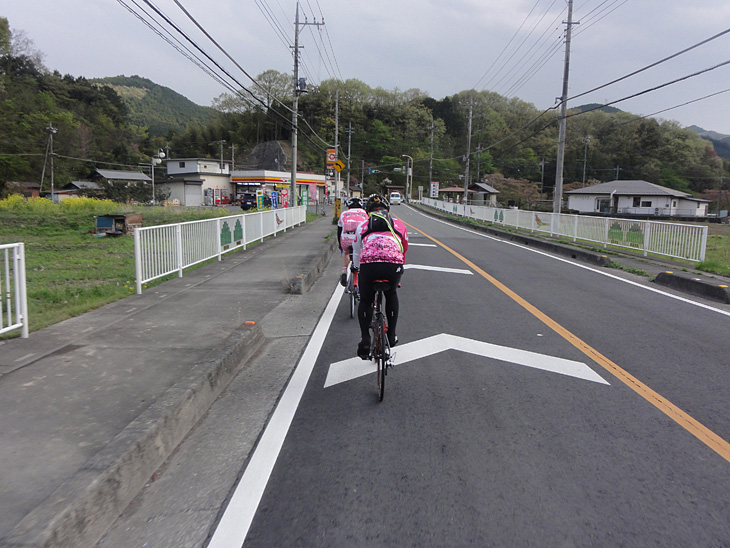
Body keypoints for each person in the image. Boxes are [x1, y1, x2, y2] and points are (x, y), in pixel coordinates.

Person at [352, 194, 408, 359]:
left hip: (369, 266)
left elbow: (356, 252)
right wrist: (399, 268)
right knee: (391, 294)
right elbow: (403, 249)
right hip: (393, 266)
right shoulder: (399, 225)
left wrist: (357, 268)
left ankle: (365, 338)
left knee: (366, 301)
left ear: (368, 212)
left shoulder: (362, 225)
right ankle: (391, 335)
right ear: (388, 210)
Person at [337, 197, 368, 286]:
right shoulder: (365, 214)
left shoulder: (343, 214)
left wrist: (340, 245)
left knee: (346, 253)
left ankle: (344, 271)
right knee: (362, 253)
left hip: (346, 238)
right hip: (360, 239)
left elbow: (339, 231)